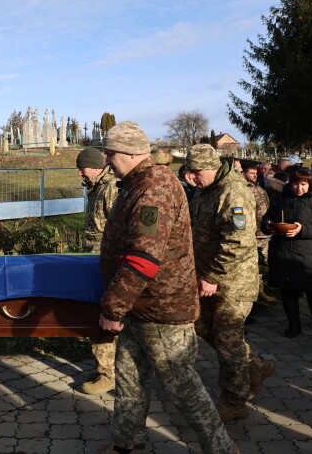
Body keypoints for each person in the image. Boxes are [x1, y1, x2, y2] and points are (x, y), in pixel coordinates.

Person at [95, 123, 239, 454]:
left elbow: (144, 257)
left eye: (110, 153)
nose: (107, 160)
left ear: (131, 153)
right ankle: (126, 443)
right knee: (129, 378)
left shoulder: (154, 189)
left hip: (161, 309)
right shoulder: (137, 183)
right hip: (139, 305)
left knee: (181, 385)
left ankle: (222, 449)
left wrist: (112, 308)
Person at [187, 144, 275, 423]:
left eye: (196, 172)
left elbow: (237, 242)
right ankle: (256, 365)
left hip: (233, 281)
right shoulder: (206, 190)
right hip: (207, 277)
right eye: (189, 172)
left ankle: (234, 401)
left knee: (228, 341)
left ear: (213, 168)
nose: (191, 178)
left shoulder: (233, 191)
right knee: (201, 326)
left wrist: (212, 276)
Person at [263, 169, 312, 337]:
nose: (299, 188)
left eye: (303, 184)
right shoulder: (280, 197)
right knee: (287, 290)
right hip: (283, 251)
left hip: (309, 252)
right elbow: (267, 217)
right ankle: (294, 323)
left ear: (309, 185)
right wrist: (268, 225)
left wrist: (303, 228)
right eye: (295, 184)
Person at [76, 147, 120, 395]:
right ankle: (106, 369)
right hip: (96, 262)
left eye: (82, 168)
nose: (80, 173)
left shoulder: (110, 188)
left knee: (105, 318)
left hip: (107, 264)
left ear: (94, 167)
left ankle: (108, 374)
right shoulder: (98, 187)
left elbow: (118, 228)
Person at [240, 162, 275, 304]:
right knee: (251, 265)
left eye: (256, 173)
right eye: (252, 173)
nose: (255, 175)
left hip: (264, 232)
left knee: (262, 264)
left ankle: (260, 292)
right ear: (243, 173)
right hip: (252, 233)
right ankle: (251, 295)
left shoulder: (259, 188)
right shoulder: (242, 189)